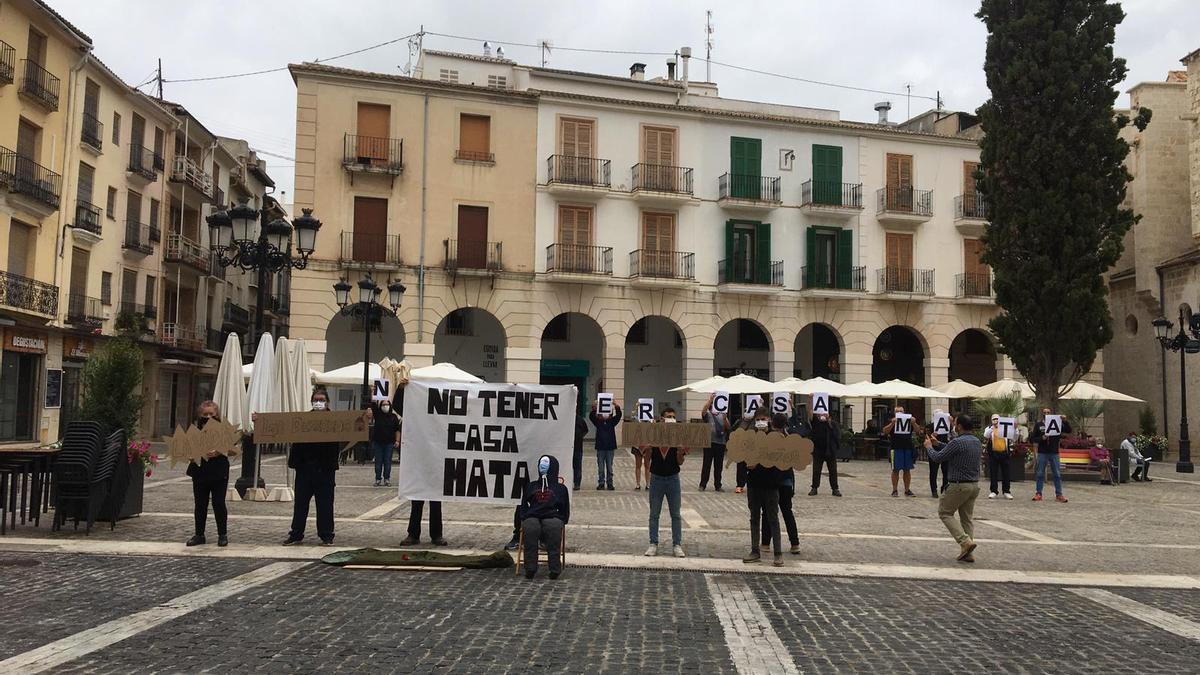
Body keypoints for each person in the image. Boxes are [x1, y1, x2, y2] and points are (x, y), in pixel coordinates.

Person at [283, 389, 345, 546]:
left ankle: (326, 534)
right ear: (311, 401)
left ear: (327, 402)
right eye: (316, 399)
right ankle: (296, 533)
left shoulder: (335, 420)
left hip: (325, 469)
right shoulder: (303, 419)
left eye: (322, 399)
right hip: (305, 469)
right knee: (300, 504)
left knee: (325, 504)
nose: (319, 402)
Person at [925, 414, 983, 563]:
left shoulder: (957, 442)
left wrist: (929, 447)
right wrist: (938, 443)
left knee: (945, 513)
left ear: (960, 426)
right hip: (973, 485)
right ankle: (968, 553)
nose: (954, 426)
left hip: (958, 485)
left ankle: (965, 542)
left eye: (955, 424)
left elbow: (938, 458)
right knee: (966, 519)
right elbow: (953, 451)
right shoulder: (976, 441)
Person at [397, 377, 448, 546]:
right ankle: (413, 533)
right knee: (416, 499)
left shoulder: (442, 415)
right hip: (419, 458)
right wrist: (400, 389)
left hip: (436, 459)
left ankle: (436, 534)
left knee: (435, 499)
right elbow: (398, 406)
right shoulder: (415, 412)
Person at [642, 408, 688, 558]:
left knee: (675, 514)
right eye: (669, 416)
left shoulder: (677, 437)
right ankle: (653, 543)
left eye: (673, 417)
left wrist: (680, 452)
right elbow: (647, 461)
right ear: (662, 419)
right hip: (657, 479)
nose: (671, 419)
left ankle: (677, 544)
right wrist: (648, 448)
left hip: (673, 478)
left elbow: (680, 462)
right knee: (654, 514)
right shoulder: (654, 435)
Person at [186, 401, 232, 547]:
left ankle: (222, 534)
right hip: (200, 470)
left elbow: (233, 449)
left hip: (219, 470)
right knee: (200, 504)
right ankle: (199, 534)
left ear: (216, 414)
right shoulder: (195, 430)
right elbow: (187, 449)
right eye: (205, 414)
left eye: (211, 414)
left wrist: (218, 451)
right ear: (200, 415)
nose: (208, 416)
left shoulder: (223, 429)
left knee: (218, 503)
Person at [743, 410, 786, 567]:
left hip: (771, 483)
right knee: (754, 517)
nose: (761, 421)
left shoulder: (776, 437)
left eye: (763, 419)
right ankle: (755, 550)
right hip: (754, 483)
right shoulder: (751, 437)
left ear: (769, 420)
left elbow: (782, 459)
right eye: (758, 419)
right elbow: (744, 458)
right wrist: (749, 464)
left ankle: (778, 553)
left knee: (773, 518)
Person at [518, 454, 570, 580]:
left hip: (552, 516)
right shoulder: (531, 486)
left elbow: (565, 508)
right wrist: (524, 517)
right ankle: (530, 568)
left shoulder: (560, 488)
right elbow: (523, 504)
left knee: (553, 530)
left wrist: (562, 519)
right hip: (533, 515)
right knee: (530, 529)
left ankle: (554, 569)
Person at [762, 413, 800, 555]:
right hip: (787, 479)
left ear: (772, 424)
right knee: (787, 512)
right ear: (785, 424)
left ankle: (765, 543)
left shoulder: (768, 438)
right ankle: (795, 543)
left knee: (768, 512)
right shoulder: (790, 438)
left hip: (771, 479)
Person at [1029, 408, 1072, 502]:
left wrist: (1065, 421)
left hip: (1054, 452)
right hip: (1042, 452)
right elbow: (1032, 438)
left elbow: (1068, 430)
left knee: (1057, 474)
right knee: (1040, 473)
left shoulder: (1057, 423)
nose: (1046, 414)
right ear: (1042, 414)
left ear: (1051, 413)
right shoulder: (1039, 425)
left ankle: (1059, 495)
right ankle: (1038, 493)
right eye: (1044, 413)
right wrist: (1042, 438)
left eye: (1048, 412)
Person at [367, 396, 401, 487]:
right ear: (380, 406)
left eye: (387, 404)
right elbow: (373, 404)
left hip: (389, 443)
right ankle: (378, 479)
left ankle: (387, 479)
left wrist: (397, 440)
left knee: (387, 461)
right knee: (378, 462)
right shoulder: (378, 414)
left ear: (390, 406)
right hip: (378, 442)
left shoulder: (394, 417)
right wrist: (373, 394)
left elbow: (397, 430)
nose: (385, 406)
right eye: (383, 404)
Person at [700, 393, 731, 491]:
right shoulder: (708, 414)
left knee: (718, 466)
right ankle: (703, 484)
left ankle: (718, 485)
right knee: (706, 464)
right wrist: (710, 400)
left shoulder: (722, 414)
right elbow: (703, 411)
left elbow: (728, 427)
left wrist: (725, 418)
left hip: (720, 443)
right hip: (709, 442)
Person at [883, 406, 916, 497]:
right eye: (898, 412)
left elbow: (918, 431)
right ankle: (894, 489)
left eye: (901, 411)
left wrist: (914, 423)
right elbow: (885, 431)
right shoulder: (892, 421)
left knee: (907, 470)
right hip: (896, 447)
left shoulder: (909, 421)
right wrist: (892, 423)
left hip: (907, 447)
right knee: (895, 470)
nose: (900, 413)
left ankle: (907, 489)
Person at [588, 402, 621, 490]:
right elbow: (591, 417)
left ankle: (610, 483)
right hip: (601, 447)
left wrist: (616, 405)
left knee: (609, 467)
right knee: (601, 467)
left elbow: (619, 415)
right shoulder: (598, 422)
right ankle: (601, 483)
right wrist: (595, 408)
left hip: (610, 447)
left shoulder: (612, 421)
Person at [808, 411, 842, 497]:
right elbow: (810, 414)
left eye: (824, 414)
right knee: (816, 470)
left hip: (830, 450)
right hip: (818, 450)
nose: (822, 415)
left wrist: (829, 423)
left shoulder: (833, 424)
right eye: (820, 414)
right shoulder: (816, 423)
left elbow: (837, 436)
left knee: (833, 470)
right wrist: (810, 399)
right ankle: (814, 487)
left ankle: (835, 488)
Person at [983, 414, 1014, 499]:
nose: (996, 421)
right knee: (993, 473)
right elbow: (986, 435)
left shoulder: (1005, 428)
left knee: (1006, 473)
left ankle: (1006, 491)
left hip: (1004, 452)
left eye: (997, 419)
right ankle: (993, 491)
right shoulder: (989, 428)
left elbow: (1014, 436)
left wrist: (1015, 427)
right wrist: (993, 427)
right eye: (994, 419)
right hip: (994, 453)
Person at [927, 411, 950, 498]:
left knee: (946, 471)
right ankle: (934, 490)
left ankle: (944, 487)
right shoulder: (930, 426)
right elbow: (925, 437)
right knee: (933, 471)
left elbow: (952, 435)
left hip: (946, 449)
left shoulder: (947, 425)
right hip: (934, 450)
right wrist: (931, 435)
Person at [572, 414, 588, 490]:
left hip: (578, 448)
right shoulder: (566, 418)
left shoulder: (580, 420)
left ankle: (577, 483)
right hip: (568, 447)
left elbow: (586, 430)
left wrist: (580, 437)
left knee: (577, 467)